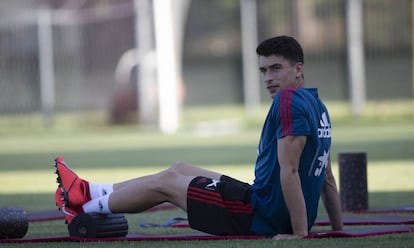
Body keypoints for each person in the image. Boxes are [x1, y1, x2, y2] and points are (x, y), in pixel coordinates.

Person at [54, 35, 343, 239]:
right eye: (263, 70)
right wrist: (337, 228)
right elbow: (327, 177)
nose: (267, 77)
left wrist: (299, 234)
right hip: (258, 201)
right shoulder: (317, 105)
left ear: (298, 69)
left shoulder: (288, 101)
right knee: (179, 169)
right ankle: (87, 191)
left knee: (167, 184)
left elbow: (291, 171)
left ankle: (81, 208)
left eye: (276, 69)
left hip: (259, 216)